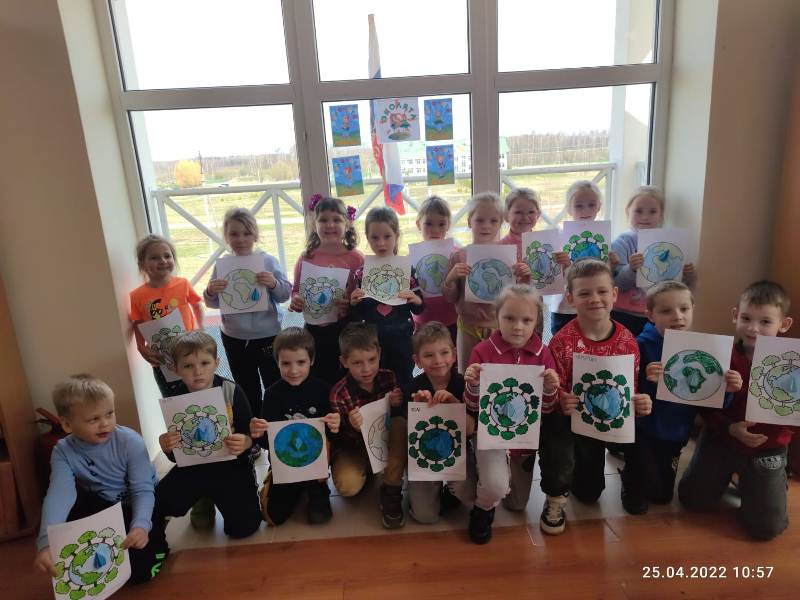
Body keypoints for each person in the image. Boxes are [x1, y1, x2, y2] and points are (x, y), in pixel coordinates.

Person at [678, 281, 795, 540]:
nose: (753, 328)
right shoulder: (720, 356)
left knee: (766, 528)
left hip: (767, 448)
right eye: (746, 318)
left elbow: (791, 418)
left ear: (784, 324)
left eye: (765, 321)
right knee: (693, 500)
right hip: (722, 438)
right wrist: (729, 427)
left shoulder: (792, 364)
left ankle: (763, 484)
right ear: (735, 315)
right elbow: (704, 407)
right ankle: (733, 478)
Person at [620, 281, 741, 514]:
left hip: (677, 431)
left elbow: (711, 401)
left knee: (662, 496)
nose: (677, 316)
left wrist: (727, 392)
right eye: (666, 311)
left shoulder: (703, 350)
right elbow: (626, 392)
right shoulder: (640, 346)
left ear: (693, 309)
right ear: (651, 315)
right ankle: (630, 482)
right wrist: (646, 380)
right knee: (640, 475)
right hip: (642, 430)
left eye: (684, 309)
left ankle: (646, 477)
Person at [34, 375, 168, 584]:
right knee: (70, 512)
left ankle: (157, 543)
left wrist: (141, 526)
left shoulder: (130, 441)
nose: (105, 423)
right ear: (67, 424)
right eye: (93, 419)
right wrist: (46, 542)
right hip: (105, 506)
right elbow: (59, 496)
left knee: (140, 572)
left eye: (109, 414)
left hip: (143, 503)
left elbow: (143, 490)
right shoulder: (62, 451)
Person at [457, 285, 560, 544]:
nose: (518, 327)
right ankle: (482, 509)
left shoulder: (543, 353)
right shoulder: (482, 351)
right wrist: (473, 385)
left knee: (517, 504)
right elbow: (472, 406)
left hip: (523, 440)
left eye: (526, 320)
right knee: (496, 488)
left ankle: (490, 479)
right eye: (509, 318)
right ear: (497, 317)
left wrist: (550, 390)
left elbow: (547, 409)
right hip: (490, 435)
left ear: (537, 321)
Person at [552, 259, 653, 521]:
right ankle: (582, 471)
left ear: (614, 294)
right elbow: (556, 387)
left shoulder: (628, 340)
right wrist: (562, 398)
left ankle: (632, 482)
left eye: (602, 291)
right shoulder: (562, 341)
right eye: (584, 293)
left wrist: (639, 401)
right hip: (581, 422)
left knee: (644, 431)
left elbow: (631, 386)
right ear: (571, 299)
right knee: (588, 493)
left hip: (618, 417)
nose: (594, 299)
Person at [154, 331, 262, 539]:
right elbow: (177, 455)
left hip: (231, 466)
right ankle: (202, 498)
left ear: (216, 363)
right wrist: (167, 446)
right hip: (194, 468)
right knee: (158, 504)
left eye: (204, 363)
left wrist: (247, 441)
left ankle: (217, 494)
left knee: (244, 528)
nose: (198, 372)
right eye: (188, 366)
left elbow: (250, 433)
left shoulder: (232, 391)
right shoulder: (175, 399)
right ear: (175, 369)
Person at [204, 207, 291, 419]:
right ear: (226, 237)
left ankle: (275, 424)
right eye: (234, 234)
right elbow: (213, 303)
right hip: (234, 336)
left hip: (268, 335)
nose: (241, 239)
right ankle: (254, 429)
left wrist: (273, 283)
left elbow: (284, 294)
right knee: (245, 387)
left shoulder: (267, 261)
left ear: (255, 235)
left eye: (247, 233)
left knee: (274, 383)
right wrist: (211, 291)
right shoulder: (223, 264)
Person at [249, 327, 341, 525]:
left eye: (301, 362)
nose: (293, 370)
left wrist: (335, 426)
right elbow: (267, 442)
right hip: (286, 463)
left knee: (319, 518)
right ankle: (282, 482)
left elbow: (331, 436)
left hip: (315, 463)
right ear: (277, 362)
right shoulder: (272, 394)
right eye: (286, 363)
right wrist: (258, 434)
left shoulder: (322, 390)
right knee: (274, 517)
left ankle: (317, 488)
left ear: (311, 360)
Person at [328, 323, 406, 528]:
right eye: (357, 363)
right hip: (354, 448)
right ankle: (370, 471)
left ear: (379, 353)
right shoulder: (338, 393)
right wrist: (350, 425)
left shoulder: (388, 377)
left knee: (400, 424)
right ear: (344, 362)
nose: (366, 369)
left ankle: (389, 488)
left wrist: (396, 404)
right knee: (348, 486)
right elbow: (337, 439)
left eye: (371, 360)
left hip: (383, 442)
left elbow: (396, 419)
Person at [290, 195, 363, 385]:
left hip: (346, 328)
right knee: (317, 374)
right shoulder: (306, 257)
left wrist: (350, 305)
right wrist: (296, 300)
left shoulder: (356, 258)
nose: (330, 225)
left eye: (336, 220)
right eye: (323, 220)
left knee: (346, 374)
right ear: (314, 225)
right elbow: (296, 290)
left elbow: (363, 297)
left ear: (347, 224)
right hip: (314, 328)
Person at [351, 206, 423, 387]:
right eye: (375, 238)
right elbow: (361, 313)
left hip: (402, 336)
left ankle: (404, 405)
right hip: (373, 338)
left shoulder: (407, 269)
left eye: (387, 236)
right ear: (367, 238)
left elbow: (419, 308)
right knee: (376, 380)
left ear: (396, 236)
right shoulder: (362, 273)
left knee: (404, 378)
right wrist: (355, 302)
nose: (381, 243)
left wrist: (416, 300)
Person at [402, 321, 466, 523]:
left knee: (469, 492)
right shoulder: (414, 387)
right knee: (426, 517)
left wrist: (454, 404)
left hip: (457, 452)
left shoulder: (463, 384)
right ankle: (420, 491)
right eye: (429, 355)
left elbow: (471, 429)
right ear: (417, 361)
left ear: (454, 355)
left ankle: (449, 492)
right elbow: (408, 434)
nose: (438, 360)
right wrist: (418, 409)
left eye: (444, 353)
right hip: (425, 453)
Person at [611, 186, 696, 337]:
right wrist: (631, 269)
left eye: (652, 211)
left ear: (660, 215)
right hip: (624, 314)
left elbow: (675, 286)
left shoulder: (669, 241)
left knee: (653, 348)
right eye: (638, 211)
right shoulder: (622, 243)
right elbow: (618, 284)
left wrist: (686, 275)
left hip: (659, 314)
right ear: (627, 211)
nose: (645, 217)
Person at [129, 234, 203, 397]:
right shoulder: (137, 295)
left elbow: (197, 305)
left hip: (190, 350)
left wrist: (201, 329)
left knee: (199, 393)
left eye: (167, 256)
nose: (163, 261)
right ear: (142, 264)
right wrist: (141, 346)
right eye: (154, 257)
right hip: (161, 358)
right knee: (172, 399)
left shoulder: (183, 284)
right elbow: (137, 322)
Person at [442, 192, 505, 371]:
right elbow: (450, 297)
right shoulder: (459, 256)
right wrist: (451, 278)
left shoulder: (508, 256)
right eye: (480, 220)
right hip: (467, 327)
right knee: (468, 372)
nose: (486, 226)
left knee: (497, 372)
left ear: (501, 223)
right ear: (470, 222)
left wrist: (520, 274)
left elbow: (515, 295)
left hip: (500, 328)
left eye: (493, 221)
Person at [549, 180, 618, 335]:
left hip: (594, 305)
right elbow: (551, 277)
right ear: (569, 208)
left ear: (599, 207)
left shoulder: (604, 237)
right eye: (579, 206)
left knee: (593, 341)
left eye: (591, 205)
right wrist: (563, 265)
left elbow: (606, 276)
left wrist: (612, 266)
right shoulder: (559, 237)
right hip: (564, 307)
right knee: (562, 343)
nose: (585, 210)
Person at [412, 196, 458, 342]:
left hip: (452, 320)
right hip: (423, 321)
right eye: (429, 224)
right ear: (419, 224)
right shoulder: (411, 258)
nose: (435, 230)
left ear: (448, 225)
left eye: (441, 224)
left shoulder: (457, 254)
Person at [499, 187, 539, 286]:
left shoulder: (546, 245)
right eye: (518, 212)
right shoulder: (499, 248)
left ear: (538, 215)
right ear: (506, 216)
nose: (525, 217)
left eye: (531, 212)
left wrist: (564, 265)